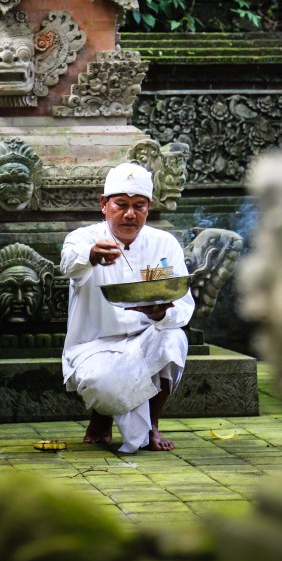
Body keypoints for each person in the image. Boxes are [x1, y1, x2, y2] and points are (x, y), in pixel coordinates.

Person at [61, 162, 194, 453]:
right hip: (94, 344)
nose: (130, 214)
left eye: (139, 206)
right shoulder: (84, 239)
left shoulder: (164, 244)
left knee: (175, 339)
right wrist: (92, 256)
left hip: (146, 338)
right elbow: (69, 263)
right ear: (104, 205)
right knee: (104, 385)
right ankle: (101, 416)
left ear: (149, 207)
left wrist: (163, 313)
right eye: (121, 205)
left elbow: (183, 303)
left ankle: (152, 425)